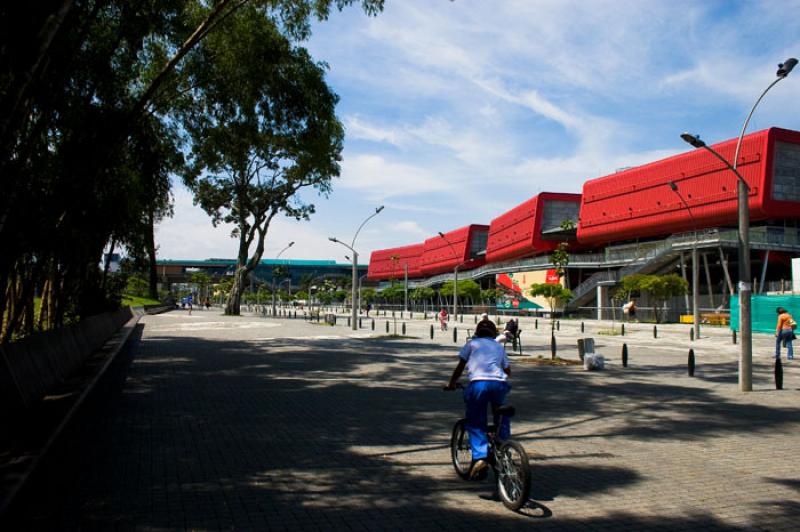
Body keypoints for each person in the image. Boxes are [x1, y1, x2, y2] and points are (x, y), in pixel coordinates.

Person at [445, 319, 511, 479]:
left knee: (475, 420)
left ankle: (480, 456)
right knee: (500, 412)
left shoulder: (471, 344)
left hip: (479, 385)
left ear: (477, 332)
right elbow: (508, 371)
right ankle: (503, 442)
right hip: (500, 384)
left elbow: (460, 366)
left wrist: (452, 383)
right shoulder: (498, 347)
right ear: (494, 333)